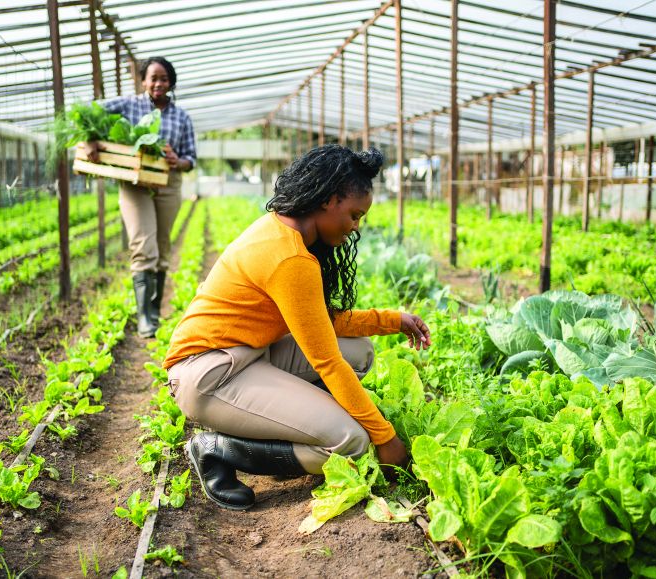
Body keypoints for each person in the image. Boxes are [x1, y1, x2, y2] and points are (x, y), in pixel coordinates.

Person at [162, 145, 431, 510]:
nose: (355, 227)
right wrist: (385, 438)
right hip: (209, 377)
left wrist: (391, 321)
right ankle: (219, 450)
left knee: (360, 351)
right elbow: (327, 361)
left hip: (246, 354)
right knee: (353, 443)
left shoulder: (281, 230)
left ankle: (286, 428)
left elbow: (321, 324)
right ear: (328, 199)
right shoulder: (290, 257)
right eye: (353, 215)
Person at [86, 57, 197, 338]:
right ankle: (144, 318)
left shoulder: (181, 116)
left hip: (168, 183)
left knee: (161, 248)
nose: (158, 83)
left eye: (163, 78)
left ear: (170, 82)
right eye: (153, 78)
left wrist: (177, 160)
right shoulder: (128, 105)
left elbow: (191, 158)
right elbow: (91, 111)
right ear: (143, 81)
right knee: (143, 245)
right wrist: (91, 140)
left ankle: (155, 311)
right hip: (134, 182)